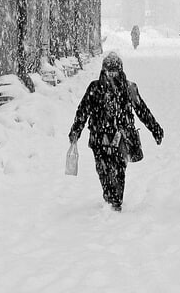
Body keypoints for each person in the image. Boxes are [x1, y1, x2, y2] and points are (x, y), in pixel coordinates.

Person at [68, 51, 164, 211]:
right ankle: (108, 195)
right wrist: (75, 131)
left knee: (119, 169)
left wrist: (155, 129)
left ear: (120, 70)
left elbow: (142, 110)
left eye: (115, 70)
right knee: (103, 170)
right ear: (103, 70)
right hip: (99, 137)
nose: (112, 74)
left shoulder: (129, 88)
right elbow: (83, 111)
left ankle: (116, 201)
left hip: (121, 138)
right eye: (109, 70)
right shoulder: (95, 88)